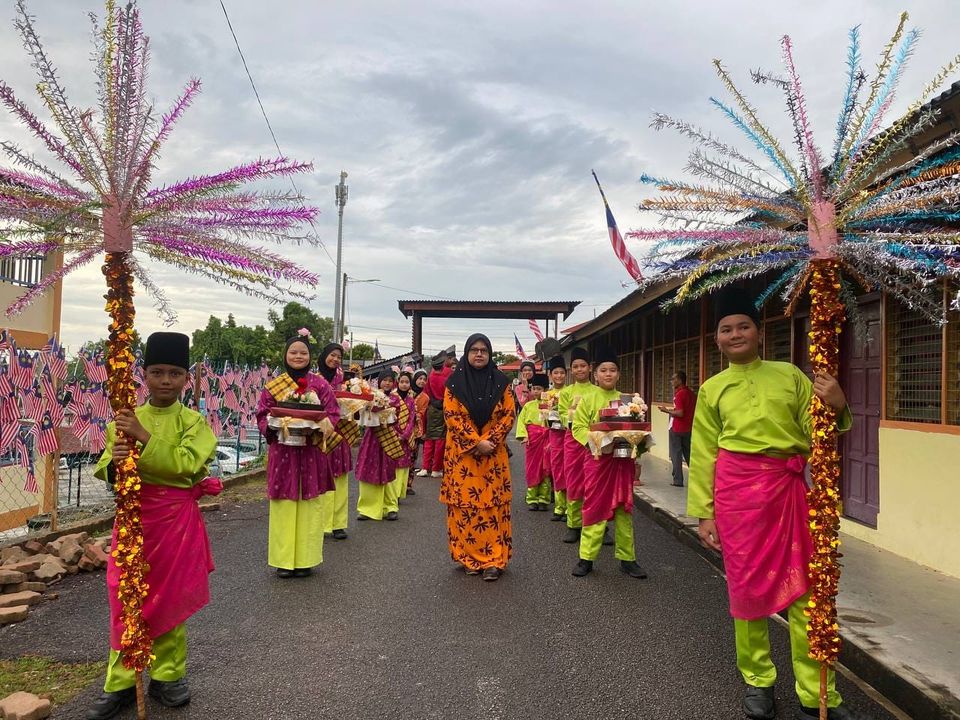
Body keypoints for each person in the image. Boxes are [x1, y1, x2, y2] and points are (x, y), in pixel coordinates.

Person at [688, 287, 863, 720]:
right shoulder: (712, 389)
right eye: (726, 329)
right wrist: (704, 512)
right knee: (747, 593)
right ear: (717, 340)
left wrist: (838, 405)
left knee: (808, 591)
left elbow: (819, 428)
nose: (735, 334)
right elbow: (705, 452)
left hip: (788, 491)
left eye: (743, 326)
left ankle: (817, 692)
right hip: (736, 496)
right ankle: (758, 681)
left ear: (759, 332)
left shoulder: (791, 376)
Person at [87, 332, 218, 719]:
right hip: (132, 522)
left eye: (174, 373)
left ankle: (167, 675)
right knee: (125, 599)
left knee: (170, 598)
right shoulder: (125, 419)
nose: (165, 380)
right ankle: (122, 681)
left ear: (185, 379)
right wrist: (119, 460)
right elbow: (107, 470)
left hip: (175, 523)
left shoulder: (194, 422)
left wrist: (144, 440)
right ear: (143, 375)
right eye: (157, 371)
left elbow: (188, 465)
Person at [256, 332, 340, 577]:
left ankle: (306, 560)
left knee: (309, 504)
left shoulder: (320, 385)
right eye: (293, 352)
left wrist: (318, 426)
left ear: (310, 356)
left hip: (311, 452)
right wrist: (271, 425)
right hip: (283, 452)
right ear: (286, 355)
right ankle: (283, 561)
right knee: (284, 504)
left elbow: (333, 413)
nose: (298, 356)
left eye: (303, 352)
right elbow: (262, 414)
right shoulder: (274, 385)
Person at [441, 333, 516, 581]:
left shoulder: (502, 382)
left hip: (493, 457)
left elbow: (508, 415)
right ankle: (468, 558)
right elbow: (452, 416)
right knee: (465, 508)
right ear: (467, 353)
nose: (479, 354)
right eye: (474, 350)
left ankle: (494, 560)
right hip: (463, 458)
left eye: (484, 350)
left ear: (490, 353)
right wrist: (475, 442)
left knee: (493, 508)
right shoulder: (453, 384)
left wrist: (490, 441)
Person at [571, 344, 647, 579]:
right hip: (597, 461)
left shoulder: (627, 401)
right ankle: (586, 558)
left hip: (621, 461)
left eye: (612, 370)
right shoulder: (587, 399)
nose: (608, 374)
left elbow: (636, 428)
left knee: (625, 508)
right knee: (594, 507)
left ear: (618, 374)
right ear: (596, 374)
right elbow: (578, 428)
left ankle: (627, 558)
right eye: (603, 370)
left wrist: (636, 439)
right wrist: (600, 440)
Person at [317, 343, 359, 541]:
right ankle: (323, 523)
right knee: (323, 478)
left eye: (338, 357)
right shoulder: (314, 380)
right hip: (322, 433)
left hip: (340, 433)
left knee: (341, 478)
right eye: (332, 355)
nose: (335, 359)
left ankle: (339, 524)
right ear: (324, 356)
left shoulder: (342, 380)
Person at [355, 371, 404, 521]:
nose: (387, 383)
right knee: (367, 470)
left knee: (388, 471)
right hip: (371, 438)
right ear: (379, 381)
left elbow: (395, 417)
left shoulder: (395, 399)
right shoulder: (370, 395)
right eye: (385, 380)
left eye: (390, 381)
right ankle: (366, 509)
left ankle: (390, 507)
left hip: (387, 436)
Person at [558, 347, 594, 543]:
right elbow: (562, 416)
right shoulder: (566, 392)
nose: (579, 370)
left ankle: (597, 523)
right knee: (574, 481)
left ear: (590, 368)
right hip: (572, 440)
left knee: (594, 483)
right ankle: (574, 524)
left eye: (583, 366)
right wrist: (572, 412)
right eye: (576, 367)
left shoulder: (597, 391)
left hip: (595, 442)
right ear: (571, 370)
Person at [515, 373, 552, 511]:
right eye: (534, 388)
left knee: (546, 469)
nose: (536, 391)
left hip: (547, 441)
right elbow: (521, 422)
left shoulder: (550, 405)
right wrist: (523, 436)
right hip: (532, 441)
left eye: (540, 388)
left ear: (545, 390)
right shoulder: (528, 406)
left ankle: (544, 499)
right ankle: (532, 499)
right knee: (532, 468)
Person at [658, 370, 696, 487]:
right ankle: (697, 478)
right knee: (689, 454)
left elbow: (680, 413)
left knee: (676, 454)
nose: (671, 381)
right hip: (688, 428)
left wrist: (666, 411)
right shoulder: (691, 393)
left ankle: (678, 480)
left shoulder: (680, 394)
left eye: (673, 379)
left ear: (679, 380)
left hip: (677, 428)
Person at [418, 352, 451, 478]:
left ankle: (425, 467)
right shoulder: (448, 375)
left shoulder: (430, 377)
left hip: (431, 408)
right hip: (443, 408)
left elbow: (426, 393)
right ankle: (436, 469)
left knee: (429, 439)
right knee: (440, 440)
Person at [544, 355, 567, 521]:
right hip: (554, 435)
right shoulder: (547, 395)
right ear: (550, 375)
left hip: (568, 433)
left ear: (566, 374)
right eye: (555, 373)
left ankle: (569, 508)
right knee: (557, 470)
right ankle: (559, 506)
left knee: (569, 470)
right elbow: (543, 419)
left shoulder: (570, 392)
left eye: (561, 373)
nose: (558, 376)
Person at [394, 371, 418, 498]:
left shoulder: (411, 400)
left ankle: (399, 493)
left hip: (406, 438)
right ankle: (392, 494)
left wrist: (405, 435)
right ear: (397, 382)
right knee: (394, 466)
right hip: (393, 437)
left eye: (407, 382)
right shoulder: (392, 397)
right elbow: (390, 417)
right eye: (402, 382)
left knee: (403, 466)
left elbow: (411, 419)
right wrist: (396, 433)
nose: (404, 384)